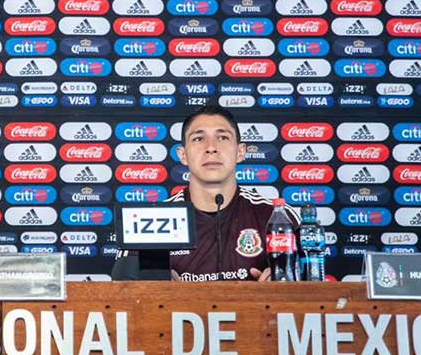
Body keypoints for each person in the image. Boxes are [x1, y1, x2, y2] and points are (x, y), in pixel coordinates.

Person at [112, 104, 298, 281]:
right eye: (199, 139)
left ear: (240, 152)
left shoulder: (276, 216)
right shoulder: (149, 220)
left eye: (222, 137)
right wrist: (155, 287)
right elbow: (123, 293)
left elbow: (313, 286)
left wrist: (287, 278)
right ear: (183, 155)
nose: (211, 147)